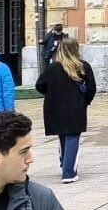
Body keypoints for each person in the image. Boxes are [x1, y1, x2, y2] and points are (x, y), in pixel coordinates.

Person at [35, 38, 96, 185]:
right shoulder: (82, 66)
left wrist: (51, 93)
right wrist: (84, 101)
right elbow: (92, 88)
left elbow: (39, 85)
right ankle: (69, 172)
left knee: (63, 136)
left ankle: (64, 165)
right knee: (72, 138)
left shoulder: (53, 68)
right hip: (75, 108)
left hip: (54, 107)